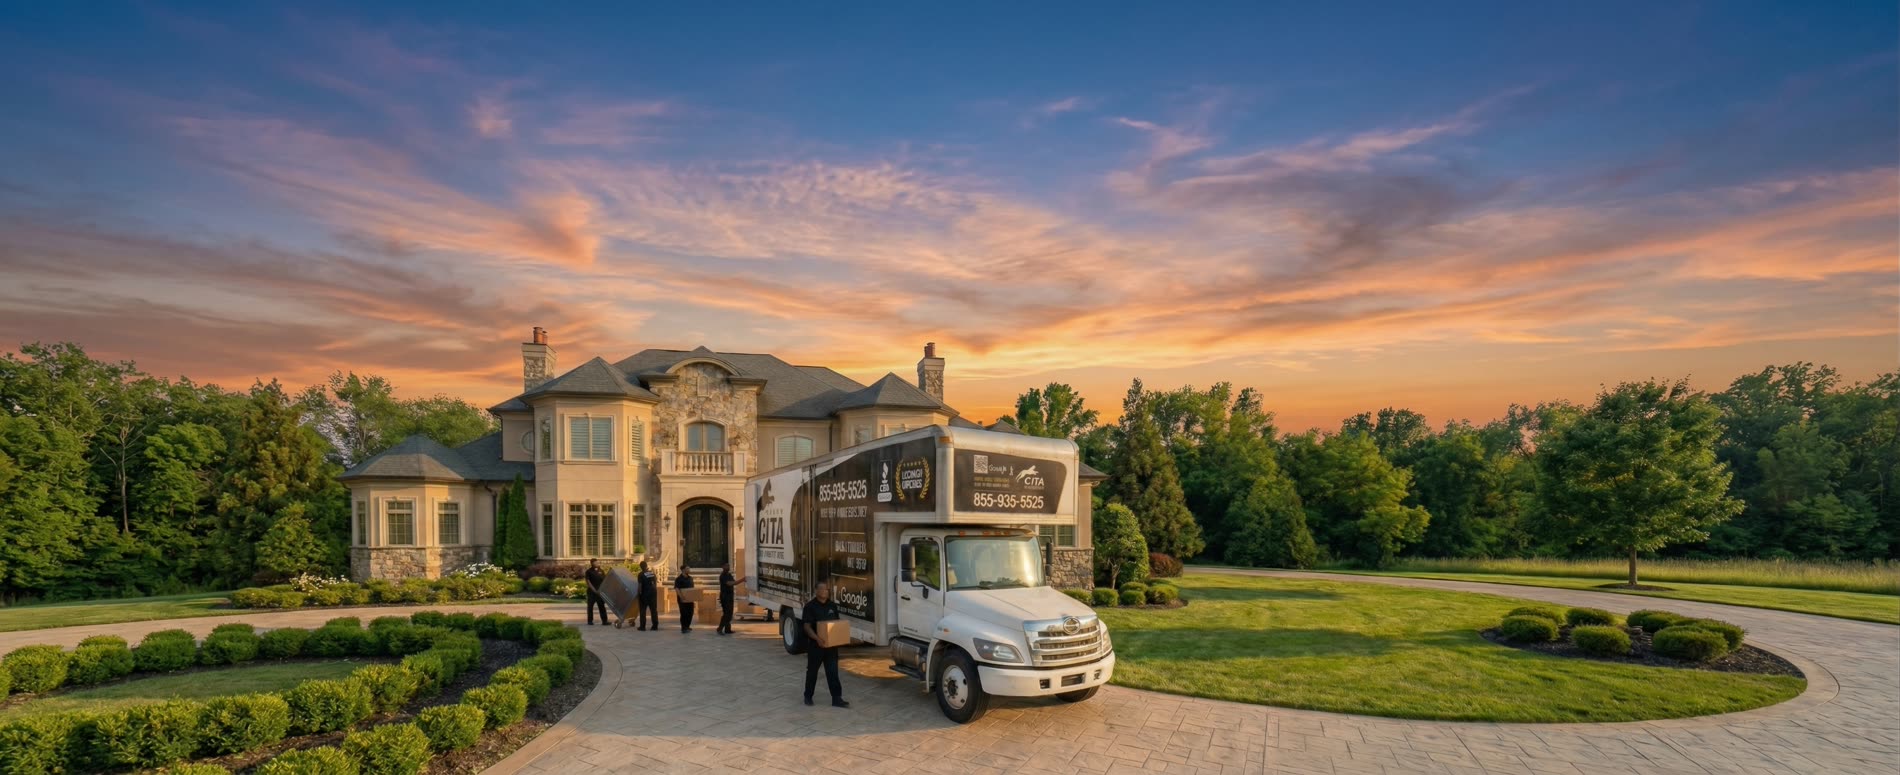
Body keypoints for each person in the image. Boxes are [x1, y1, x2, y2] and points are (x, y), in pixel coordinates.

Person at [801, 581, 848, 708]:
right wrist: (817, 639)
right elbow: (806, 626)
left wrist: (838, 638)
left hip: (831, 647)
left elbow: (836, 625)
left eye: (827, 590)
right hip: (816, 646)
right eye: (822, 590)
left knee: (833, 673)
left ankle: (837, 699)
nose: (825, 592)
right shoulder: (810, 607)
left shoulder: (832, 606)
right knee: (812, 672)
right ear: (816, 591)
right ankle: (808, 696)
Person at [716, 563, 747, 635]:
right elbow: (730, 583)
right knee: (726, 614)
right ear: (722, 567)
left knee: (730, 614)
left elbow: (733, 581)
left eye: (729, 566)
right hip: (725, 597)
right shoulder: (723, 576)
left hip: (730, 596)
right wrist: (742, 579)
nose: (728, 567)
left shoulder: (729, 575)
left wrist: (739, 581)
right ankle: (719, 628)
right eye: (726, 566)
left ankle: (727, 629)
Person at [583, 559, 609, 626]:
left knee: (602, 606)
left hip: (599, 592)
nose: (597, 563)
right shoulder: (588, 572)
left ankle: (605, 621)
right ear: (591, 563)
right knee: (590, 607)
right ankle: (590, 621)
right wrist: (594, 590)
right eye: (595, 562)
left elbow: (605, 580)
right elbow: (588, 582)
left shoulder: (601, 571)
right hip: (592, 592)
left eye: (597, 562)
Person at [634, 561, 659, 632]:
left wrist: (638, 593)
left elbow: (640, 586)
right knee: (654, 610)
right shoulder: (652, 574)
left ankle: (642, 626)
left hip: (644, 595)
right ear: (646, 566)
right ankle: (655, 626)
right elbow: (655, 584)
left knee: (643, 611)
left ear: (641, 567)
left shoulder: (641, 574)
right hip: (653, 594)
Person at [674, 567, 696, 633]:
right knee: (684, 613)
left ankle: (687, 626)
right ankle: (683, 628)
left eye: (689, 569)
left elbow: (692, 589)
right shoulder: (678, 579)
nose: (689, 570)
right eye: (687, 569)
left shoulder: (690, 578)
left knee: (690, 613)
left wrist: (693, 599)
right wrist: (681, 597)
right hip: (682, 599)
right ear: (683, 570)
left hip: (690, 599)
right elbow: (677, 589)